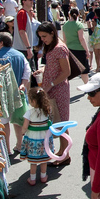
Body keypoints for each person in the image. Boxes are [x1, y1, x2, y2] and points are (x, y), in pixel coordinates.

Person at [34, 23, 72, 166]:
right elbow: (55, 68)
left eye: (44, 36)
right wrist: (44, 71)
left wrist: (50, 84)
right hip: (53, 89)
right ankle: (63, 153)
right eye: (40, 37)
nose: (42, 39)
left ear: (52, 33)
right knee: (59, 122)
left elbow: (66, 72)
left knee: (62, 122)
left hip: (58, 90)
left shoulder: (59, 48)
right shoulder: (53, 47)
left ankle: (64, 154)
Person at [0, 32, 31, 152]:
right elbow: (27, 71)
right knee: (18, 120)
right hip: (19, 93)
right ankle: (19, 145)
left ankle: (7, 149)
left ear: (1, 42)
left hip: (3, 95)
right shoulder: (20, 55)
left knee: (4, 122)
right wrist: (23, 84)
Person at [20, 85, 53, 185]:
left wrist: (22, 132)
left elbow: (25, 126)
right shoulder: (47, 110)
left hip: (33, 138)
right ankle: (43, 176)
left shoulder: (29, 113)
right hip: (45, 138)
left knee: (33, 161)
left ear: (33, 101)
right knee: (43, 160)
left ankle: (32, 178)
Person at [62, 9, 90, 85]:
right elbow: (81, 38)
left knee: (71, 71)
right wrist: (87, 51)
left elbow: (64, 39)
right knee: (84, 71)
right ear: (78, 15)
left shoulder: (65, 25)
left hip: (70, 49)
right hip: (80, 50)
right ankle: (87, 86)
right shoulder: (78, 24)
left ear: (69, 15)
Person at [15, 0, 40, 71]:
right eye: (29, 0)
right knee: (29, 72)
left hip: (24, 48)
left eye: (32, 0)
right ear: (24, 1)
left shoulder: (25, 13)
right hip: (23, 48)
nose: (32, 1)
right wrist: (28, 48)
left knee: (30, 72)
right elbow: (22, 31)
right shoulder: (22, 13)